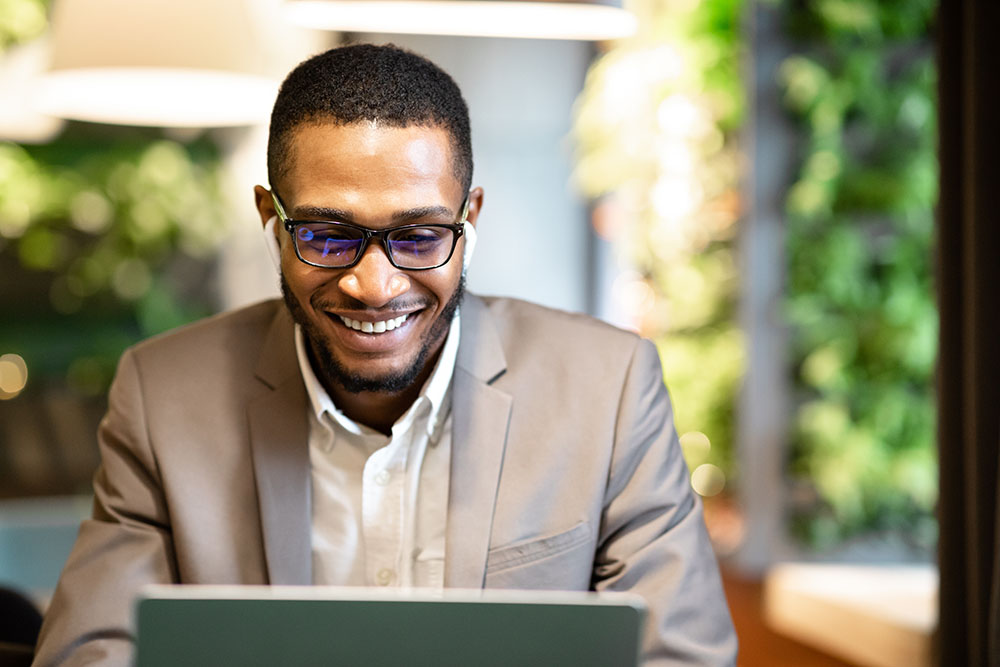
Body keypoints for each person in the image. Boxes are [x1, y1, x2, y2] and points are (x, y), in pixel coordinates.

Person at [33, 43, 737, 665]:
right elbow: (90, 651)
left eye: (422, 236)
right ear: (270, 221)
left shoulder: (607, 389)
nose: (374, 285)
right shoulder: (163, 396)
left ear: (472, 217)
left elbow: (680, 652)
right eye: (328, 236)